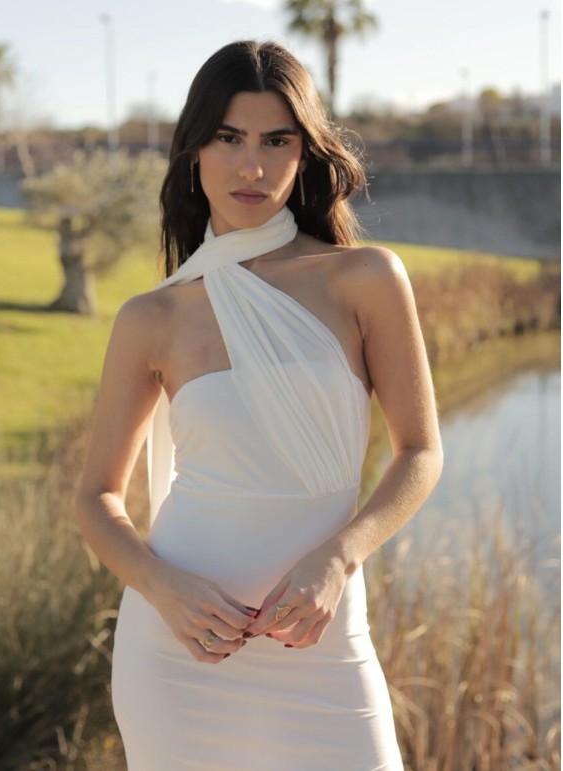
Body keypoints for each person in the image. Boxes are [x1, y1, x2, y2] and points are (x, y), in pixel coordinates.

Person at [75, 40, 443, 770]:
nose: (252, 166)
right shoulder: (153, 317)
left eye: (277, 141)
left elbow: (421, 452)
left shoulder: (364, 278)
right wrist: (162, 587)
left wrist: (340, 556)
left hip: (325, 643)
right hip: (180, 652)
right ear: (194, 152)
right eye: (229, 138)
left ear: (305, 153)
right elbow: (95, 497)